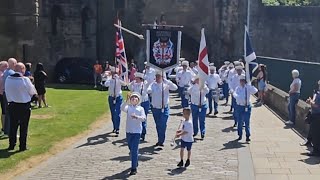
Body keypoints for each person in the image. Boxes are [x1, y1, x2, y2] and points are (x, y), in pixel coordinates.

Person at [5, 63, 37, 151]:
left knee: (13, 126)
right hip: (23, 106)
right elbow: (33, 93)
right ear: (23, 69)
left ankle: (11, 145)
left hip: (12, 105)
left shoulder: (8, 79)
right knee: (24, 127)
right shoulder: (25, 80)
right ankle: (22, 146)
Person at [147, 70, 178, 146]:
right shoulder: (153, 85)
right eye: (156, 77)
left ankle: (161, 140)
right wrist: (149, 85)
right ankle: (160, 139)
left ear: (162, 77)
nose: (157, 78)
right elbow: (148, 91)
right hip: (155, 108)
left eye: (159, 77)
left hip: (164, 108)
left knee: (163, 124)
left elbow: (175, 88)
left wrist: (167, 81)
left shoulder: (166, 84)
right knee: (158, 125)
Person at [120, 92, 146, 175]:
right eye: (132, 98)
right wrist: (126, 100)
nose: (134, 99)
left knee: (134, 150)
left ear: (138, 100)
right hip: (129, 131)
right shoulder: (128, 107)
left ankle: (133, 168)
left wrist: (137, 117)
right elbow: (122, 107)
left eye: (135, 98)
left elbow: (144, 118)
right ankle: (135, 160)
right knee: (131, 149)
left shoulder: (141, 108)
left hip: (137, 131)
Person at [233, 75, 258, 141]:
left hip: (247, 106)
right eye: (241, 81)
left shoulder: (248, 88)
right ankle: (240, 135)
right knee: (240, 122)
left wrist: (250, 85)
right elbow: (235, 94)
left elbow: (255, 91)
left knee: (247, 122)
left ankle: (247, 136)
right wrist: (238, 97)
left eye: (243, 81)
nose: (242, 82)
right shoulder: (238, 88)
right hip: (240, 106)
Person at [128, 72, 150, 141]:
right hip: (137, 103)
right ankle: (138, 131)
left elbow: (145, 91)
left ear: (140, 79)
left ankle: (143, 133)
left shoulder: (144, 84)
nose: (135, 80)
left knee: (143, 117)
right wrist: (132, 82)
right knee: (136, 118)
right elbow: (129, 87)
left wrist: (145, 82)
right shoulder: (134, 85)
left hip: (144, 102)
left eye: (137, 78)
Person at [104, 67, 127, 134]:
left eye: (116, 72)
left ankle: (117, 128)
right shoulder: (109, 79)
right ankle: (114, 127)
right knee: (113, 113)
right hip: (111, 97)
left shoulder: (119, 78)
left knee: (117, 113)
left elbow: (125, 84)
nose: (114, 74)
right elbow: (106, 84)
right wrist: (110, 78)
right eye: (113, 72)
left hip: (118, 97)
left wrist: (118, 79)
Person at [187, 75, 209, 139]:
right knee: (195, 119)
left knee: (202, 119)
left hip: (202, 104)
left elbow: (207, 91)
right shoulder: (192, 87)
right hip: (194, 105)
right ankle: (195, 131)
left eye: (199, 80)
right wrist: (193, 85)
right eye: (197, 79)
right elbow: (188, 91)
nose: (198, 81)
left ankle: (202, 132)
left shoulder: (204, 86)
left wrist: (203, 86)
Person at [304, 80, 320, 156]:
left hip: (317, 116)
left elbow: (317, 105)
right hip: (315, 115)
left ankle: (316, 151)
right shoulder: (317, 93)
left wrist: (310, 102)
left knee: (316, 134)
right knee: (315, 133)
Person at [2, 58, 17, 136]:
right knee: (12, 113)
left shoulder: (5, 72)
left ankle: (6, 130)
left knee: (7, 112)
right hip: (10, 94)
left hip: (5, 93)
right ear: (13, 64)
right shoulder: (11, 73)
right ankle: (10, 131)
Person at [0, 61, 8, 135]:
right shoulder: (3, 74)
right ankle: (4, 128)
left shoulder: (3, 74)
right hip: (2, 94)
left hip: (2, 94)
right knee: (4, 112)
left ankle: (3, 127)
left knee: (4, 112)